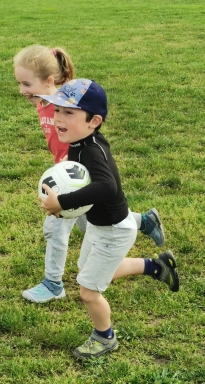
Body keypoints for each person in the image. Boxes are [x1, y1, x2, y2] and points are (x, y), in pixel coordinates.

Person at [38, 78, 179, 359]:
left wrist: (62, 203)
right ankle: (156, 266)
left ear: (94, 120)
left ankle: (104, 337)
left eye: (69, 112)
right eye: (56, 111)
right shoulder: (79, 141)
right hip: (102, 225)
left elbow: (106, 187)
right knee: (91, 272)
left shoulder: (90, 149)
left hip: (114, 229)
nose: (58, 118)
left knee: (89, 291)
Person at [14, 45, 165, 304]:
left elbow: (80, 98)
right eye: (19, 83)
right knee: (88, 223)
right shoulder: (44, 102)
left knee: (54, 228)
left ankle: (53, 283)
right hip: (69, 175)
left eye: (27, 83)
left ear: (50, 82)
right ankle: (142, 221)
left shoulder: (66, 102)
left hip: (73, 181)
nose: (22, 90)